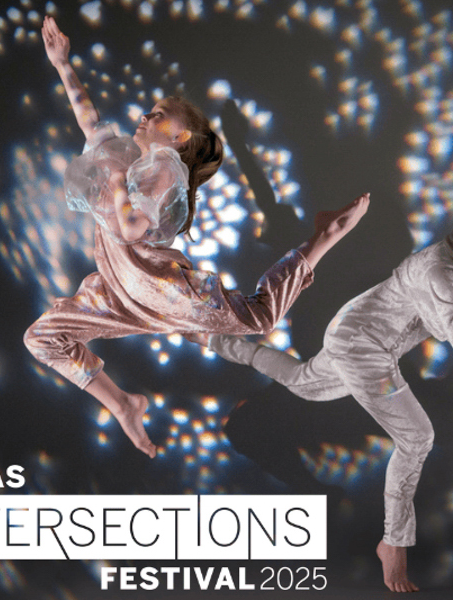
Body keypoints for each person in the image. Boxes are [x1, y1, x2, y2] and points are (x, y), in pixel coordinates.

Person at [206, 183, 453, 592]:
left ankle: (214, 340)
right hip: (359, 339)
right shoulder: (442, 274)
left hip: (371, 341)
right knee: (418, 438)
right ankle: (393, 545)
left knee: (305, 384)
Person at [24, 17, 369, 458]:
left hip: (158, 287)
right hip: (118, 292)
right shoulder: (127, 156)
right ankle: (124, 405)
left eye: (158, 114)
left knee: (258, 318)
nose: (144, 116)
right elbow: (90, 123)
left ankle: (325, 236)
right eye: (149, 111)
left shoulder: (166, 168)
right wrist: (62, 64)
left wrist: (114, 181)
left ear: (178, 136)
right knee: (42, 339)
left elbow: (130, 230)